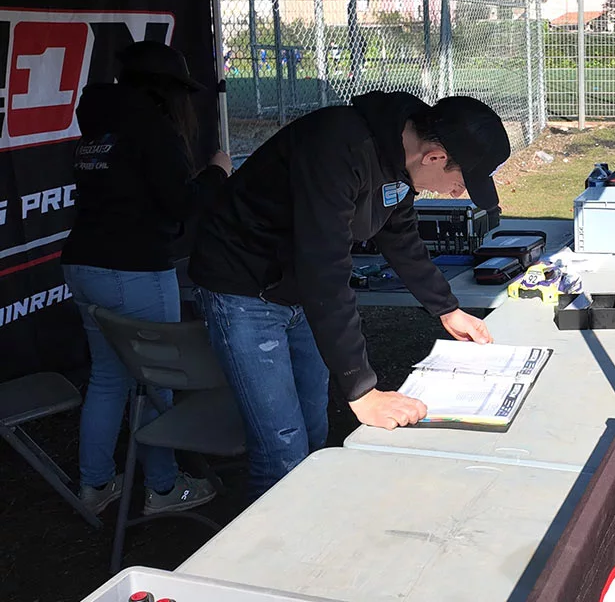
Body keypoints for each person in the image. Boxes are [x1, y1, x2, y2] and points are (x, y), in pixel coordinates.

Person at [188, 91, 511, 497]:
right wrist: (361, 387)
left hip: (295, 288)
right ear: (433, 157)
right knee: (281, 447)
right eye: (460, 182)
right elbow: (325, 269)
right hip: (242, 287)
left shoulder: (398, 156)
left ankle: (308, 519)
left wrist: (447, 309)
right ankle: (279, 552)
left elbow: (399, 233)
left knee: (313, 425)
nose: (456, 195)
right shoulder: (339, 148)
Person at [62, 41, 232, 517]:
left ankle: (95, 485)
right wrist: (218, 173)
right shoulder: (152, 127)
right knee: (156, 379)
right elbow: (180, 203)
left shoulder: (101, 123)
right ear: (167, 90)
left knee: (108, 378)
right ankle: (162, 487)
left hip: (83, 262)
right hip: (134, 268)